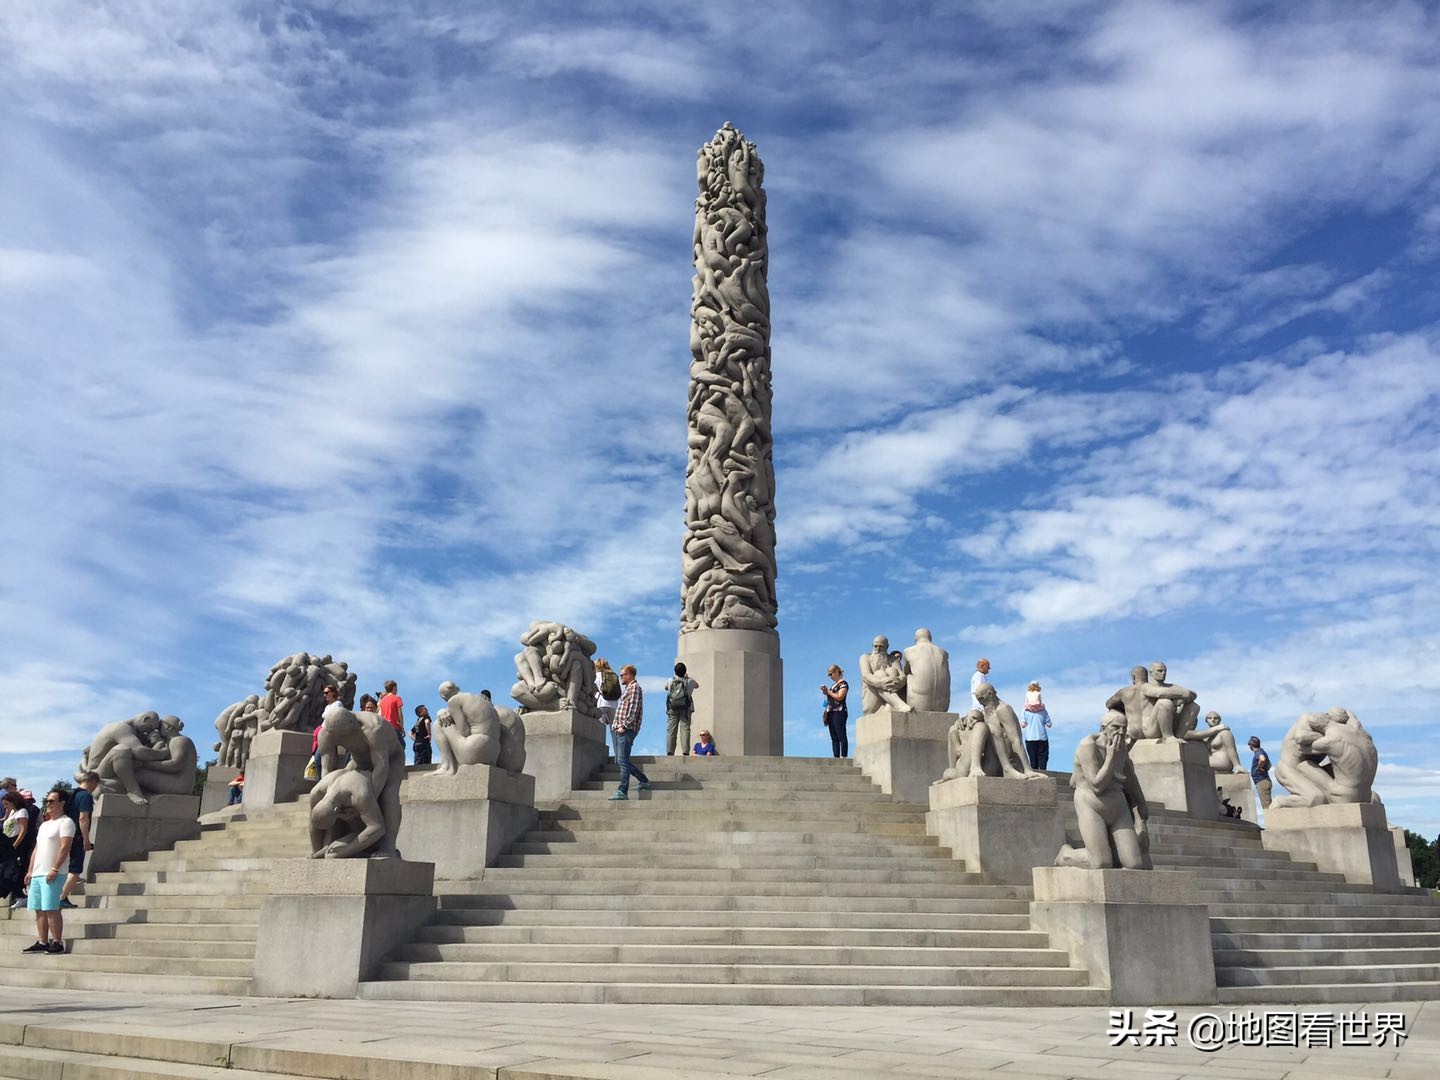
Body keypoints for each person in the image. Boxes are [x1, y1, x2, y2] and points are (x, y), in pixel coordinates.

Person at [24, 790, 76, 954]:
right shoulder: (45, 825)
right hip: (38, 873)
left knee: (51, 908)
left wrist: (55, 868)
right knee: (39, 908)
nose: (48, 804)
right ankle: (43, 941)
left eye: (52, 801)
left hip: (54, 872)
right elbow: (36, 849)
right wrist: (30, 870)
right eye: (47, 800)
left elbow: (65, 847)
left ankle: (57, 942)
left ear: (62, 803)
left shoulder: (66, 822)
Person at [609, 664, 652, 801]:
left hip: (626, 729)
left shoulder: (634, 688)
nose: (620, 677)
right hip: (621, 728)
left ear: (629, 675)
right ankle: (644, 780)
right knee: (623, 760)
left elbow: (633, 710)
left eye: (622, 675)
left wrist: (623, 725)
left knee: (622, 760)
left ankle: (623, 791)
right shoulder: (629, 688)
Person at [59, 773, 98, 909]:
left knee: (62, 867)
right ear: (93, 782)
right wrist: (86, 839)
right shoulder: (85, 796)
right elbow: (83, 818)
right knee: (75, 869)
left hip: (62, 835)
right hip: (75, 836)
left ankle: (57, 896)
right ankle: (61, 898)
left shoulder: (69, 794)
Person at [2, 791, 32, 906]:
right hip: (7, 842)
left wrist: (15, 845)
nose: (5, 807)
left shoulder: (22, 812)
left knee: (8, 872)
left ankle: (20, 895)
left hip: (15, 842)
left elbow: (23, 830)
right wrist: (7, 811)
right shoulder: (11, 812)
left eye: (7, 804)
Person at [665, 662, 698, 757]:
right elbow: (697, 685)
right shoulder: (690, 681)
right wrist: (688, 677)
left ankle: (670, 751)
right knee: (685, 729)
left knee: (671, 730)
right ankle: (685, 751)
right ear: (685, 671)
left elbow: (666, 688)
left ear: (675, 671)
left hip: (672, 708)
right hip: (686, 708)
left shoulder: (670, 680)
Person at [1020, 681, 1052, 771]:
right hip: (1042, 737)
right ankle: (1043, 773)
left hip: (1030, 737)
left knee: (1032, 760)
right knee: (1043, 757)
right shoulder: (1043, 710)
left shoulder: (1024, 711)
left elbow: (1023, 724)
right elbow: (1049, 724)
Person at [594, 658, 622, 760]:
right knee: (614, 731)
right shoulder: (613, 676)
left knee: (600, 729)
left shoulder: (596, 676)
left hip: (600, 703)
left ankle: (599, 754)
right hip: (613, 704)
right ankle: (618, 757)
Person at [821, 665, 849, 757]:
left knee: (841, 734)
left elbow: (840, 697)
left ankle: (843, 756)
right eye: (829, 674)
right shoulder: (832, 686)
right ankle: (836, 757)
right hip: (831, 712)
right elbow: (829, 700)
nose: (830, 676)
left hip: (839, 711)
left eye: (831, 673)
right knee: (834, 737)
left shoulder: (843, 684)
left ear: (837, 672)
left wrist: (828, 692)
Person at [379, 681, 406, 749]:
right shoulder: (397, 698)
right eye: (396, 688)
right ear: (394, 687)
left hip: (384, 727)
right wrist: (402, 728)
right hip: (394, 727)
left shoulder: (382, 701)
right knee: (402, 746)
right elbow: (400, 714)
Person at [1248, 736, 1273, 808]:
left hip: (1262, 781)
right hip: (1264, 780)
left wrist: (1259, 768)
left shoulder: (1258, 752)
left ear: (1251, 745)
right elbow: (1269, 765)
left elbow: (1262, 759)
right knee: (1267, 805)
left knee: (1266, 807)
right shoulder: (1262, 751)